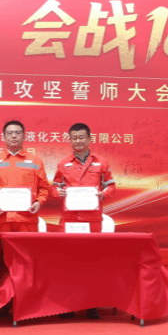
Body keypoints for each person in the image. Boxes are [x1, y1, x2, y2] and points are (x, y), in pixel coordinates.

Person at [52, 122, 116, 320]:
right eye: (74, 138)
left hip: (91, 220)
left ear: (89, 139)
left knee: (91, 263)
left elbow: (111, 186)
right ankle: (67, 305)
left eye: (81, 137)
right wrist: (59, 193)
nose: (78, 141)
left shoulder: (101, 163)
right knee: (67, 264)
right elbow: (54, 187)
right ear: (70, 140)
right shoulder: (63, 163)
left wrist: (103, 194)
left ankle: (92, 305)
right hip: (69, 220)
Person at [0, 120, 50, 232]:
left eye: (18, 133)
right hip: (2, 218)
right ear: (4, 137)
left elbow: (44, 187)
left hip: (27, 219)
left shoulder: (36, 161)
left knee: (26, 244)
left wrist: (39, 202)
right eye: (10, 133)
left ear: (24, 136)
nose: (14, 136)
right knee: (2, 244)